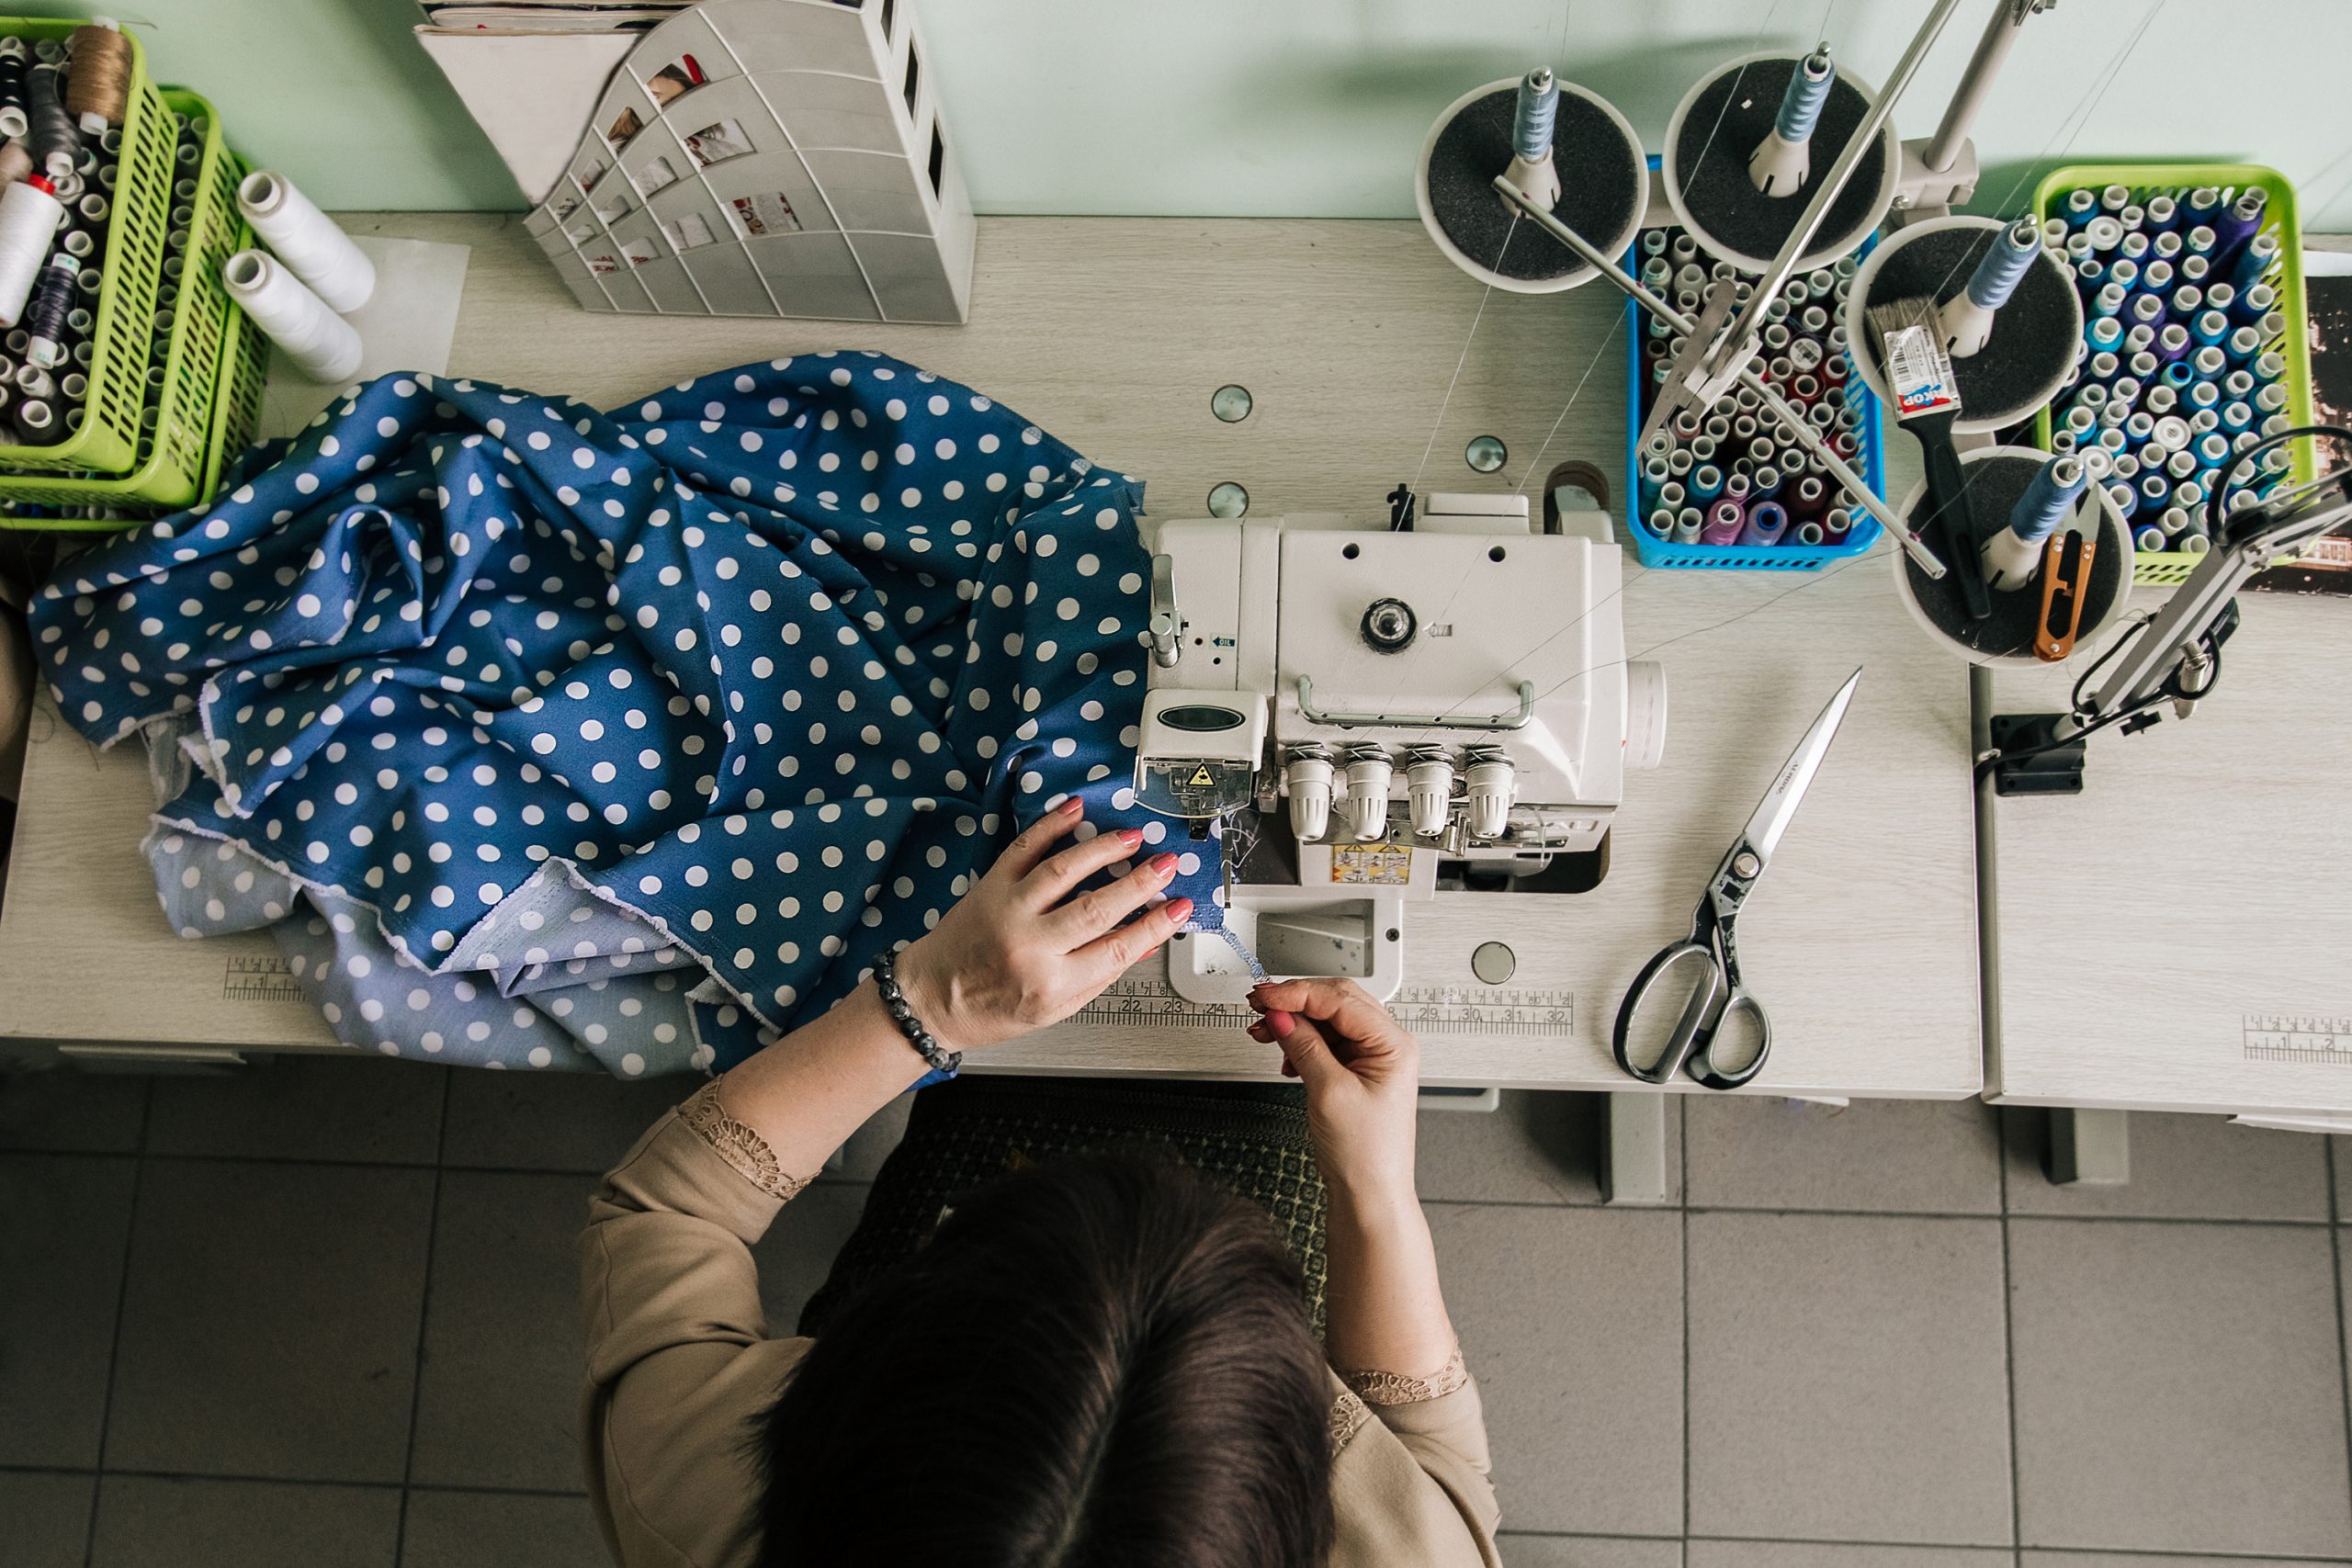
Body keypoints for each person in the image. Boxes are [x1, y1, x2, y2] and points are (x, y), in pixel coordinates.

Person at [580, 795, 1499, 1566]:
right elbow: (1430, 1470)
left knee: (967, 1105)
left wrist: (928, 1002)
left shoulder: (695, 1510)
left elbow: (665, 1212)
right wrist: (1375, 1188)